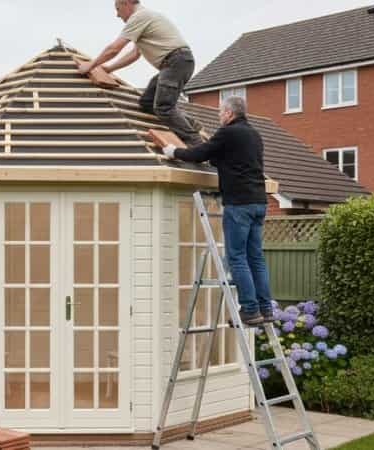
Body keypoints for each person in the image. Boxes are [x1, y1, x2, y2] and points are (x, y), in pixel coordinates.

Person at [163, 96, 272, 326]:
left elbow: (200, 153)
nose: (220, 117)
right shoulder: (254, 134)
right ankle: (265, 309)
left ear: (230, 114)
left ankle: (250, 310)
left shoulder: (229, 133)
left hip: (239, 203)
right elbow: (225, 159)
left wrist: (174, 152)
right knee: (256, 258)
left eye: (221, 113)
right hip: (258, 201)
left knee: (237, 257)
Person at [78, 0, 204, 147]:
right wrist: (109, 69)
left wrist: (92, 65)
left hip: (175, 63)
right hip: (175, 63)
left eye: (118, 9)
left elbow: (114, 49)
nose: (117, 15)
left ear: (126, 3)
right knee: (147, 102)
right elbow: (134, 54)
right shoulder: (145, 18)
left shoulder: (139, 16)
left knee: (163, 107)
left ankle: (196, 145)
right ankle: (190, 123)